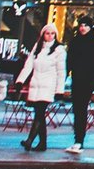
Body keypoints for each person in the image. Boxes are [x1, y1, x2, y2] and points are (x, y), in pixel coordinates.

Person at [16, 24, 66, 152]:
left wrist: (59, 91)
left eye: (52, 33)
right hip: (36, 84)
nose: (49, 36)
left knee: (39, 112)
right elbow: (28, 65)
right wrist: (20, 80)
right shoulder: (37, 48)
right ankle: (42, 143)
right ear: (43, 34)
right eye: (47, 33)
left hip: (48, 85)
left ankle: (30, 140)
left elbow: (61, 72)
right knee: (39, 114)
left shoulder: (59, 50)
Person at [65, 17, 94, 154]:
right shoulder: (75, 41)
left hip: (89, 79)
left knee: (81, 109)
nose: (83, 28)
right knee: (78, 109)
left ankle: (79, 140)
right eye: (81, 25)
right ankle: (78, 139)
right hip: (77, 78)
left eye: (85, 25)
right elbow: (69, 60)